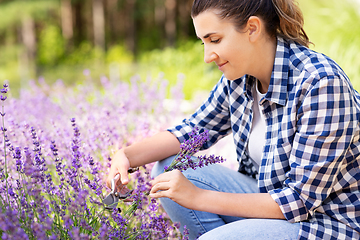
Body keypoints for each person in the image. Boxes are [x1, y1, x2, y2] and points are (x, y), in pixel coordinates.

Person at [106, 0, 360, 239]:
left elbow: (299, 201)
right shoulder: (240, 77)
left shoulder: (321, 84)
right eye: (203, 43)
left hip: (326, 222)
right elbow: (194, 131)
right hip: (270, 199)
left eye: (214, 40)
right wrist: (126, 156)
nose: (208, 56)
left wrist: (197, 197)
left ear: (252, 28)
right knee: (168, 168)